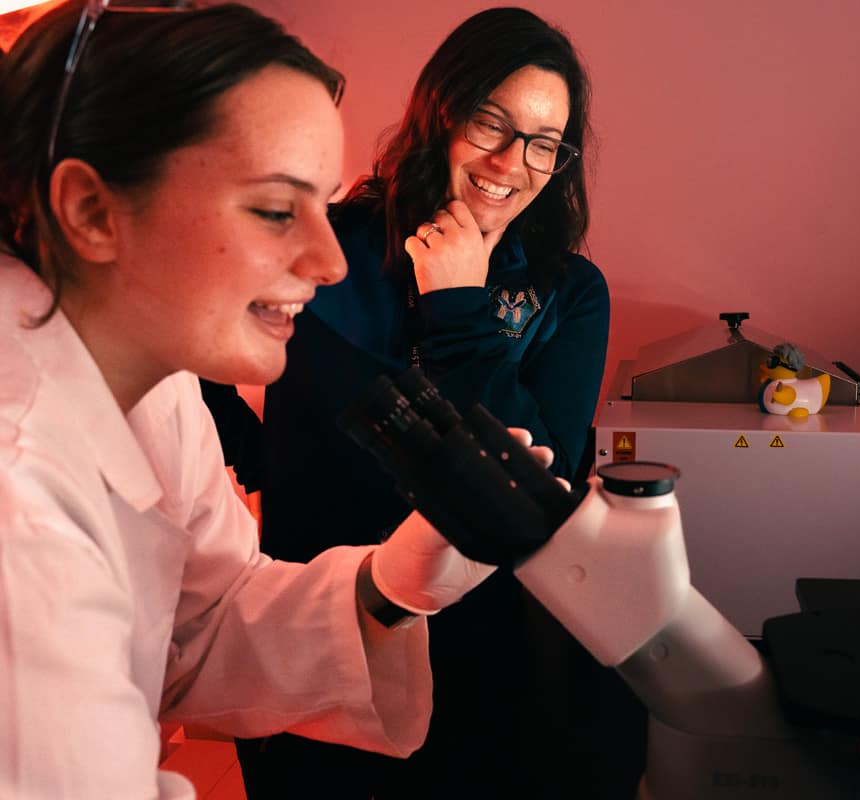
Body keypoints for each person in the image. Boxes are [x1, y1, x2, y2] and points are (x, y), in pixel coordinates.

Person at [0, 3, 555, 797]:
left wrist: (386, 586)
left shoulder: (156, 389)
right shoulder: (18, 509)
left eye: (323, 206)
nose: (329, 262)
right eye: (272, 209)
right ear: (92, 210)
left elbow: (205, 619)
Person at [201, 6, 634, 798]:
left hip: (485, 651)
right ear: (442, 111)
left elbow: (542, 481)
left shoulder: (568, 294)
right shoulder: (331, 245)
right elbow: (195, 347)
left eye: (545, 142)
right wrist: (252, 450)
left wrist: (460, 308)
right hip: (319, 620)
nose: (512, 161)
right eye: (490, 123)